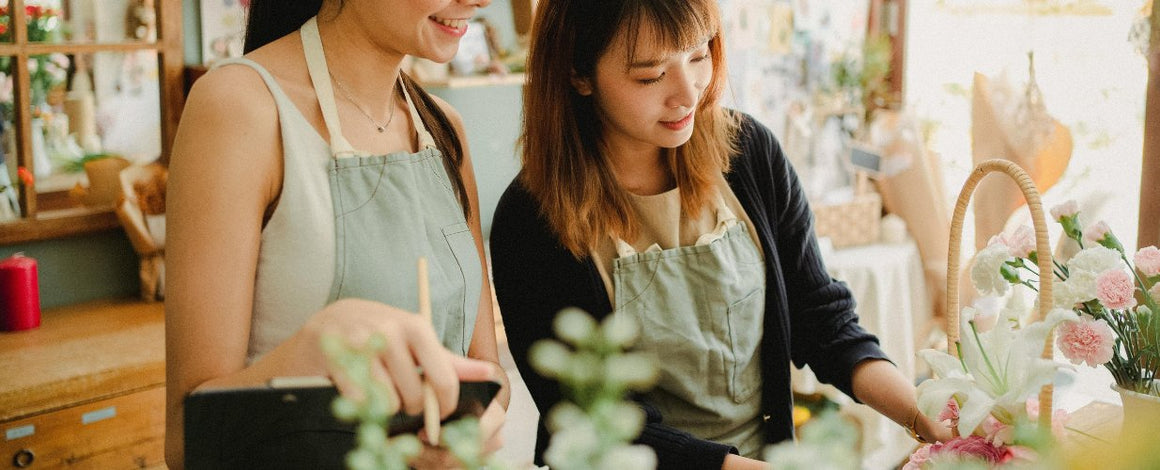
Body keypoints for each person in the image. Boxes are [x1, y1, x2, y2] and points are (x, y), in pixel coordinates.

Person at [488, 1, 953, 469]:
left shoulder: (749, 154)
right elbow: (601, 425)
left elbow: (821, 318)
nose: (687, 94)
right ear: (578, 74)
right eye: (649, 76)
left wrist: (920, 413)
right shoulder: (532, 221)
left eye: (698, 55)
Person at [164, 0, 509, 467]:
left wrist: (469, 427)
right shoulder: (238, 105)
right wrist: (307, 354)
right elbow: (189, 441)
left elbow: (488, 373)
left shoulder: (443, 127)